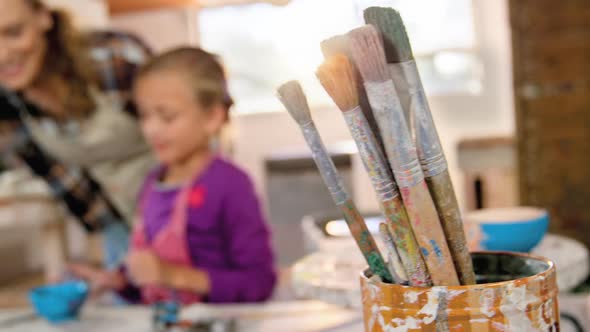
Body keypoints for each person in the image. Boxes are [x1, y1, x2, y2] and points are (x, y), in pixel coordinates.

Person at [71, 47, 277, 304]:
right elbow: (150, 276)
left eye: (167, 117)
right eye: (144, 116)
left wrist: (173, 276)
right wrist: (120, 280)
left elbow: (259, 283)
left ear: (212, 117)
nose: (151, 129)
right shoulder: (152, 182)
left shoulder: (230, 184)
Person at [0, 0, 155, 269]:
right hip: (120, 220)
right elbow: (70, 185)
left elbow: (194, 128)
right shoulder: (8, 109)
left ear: (43, 17)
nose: (2, 55)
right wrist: (117, 259)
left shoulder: (114, 57)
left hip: (188, 206)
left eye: (14, 33)